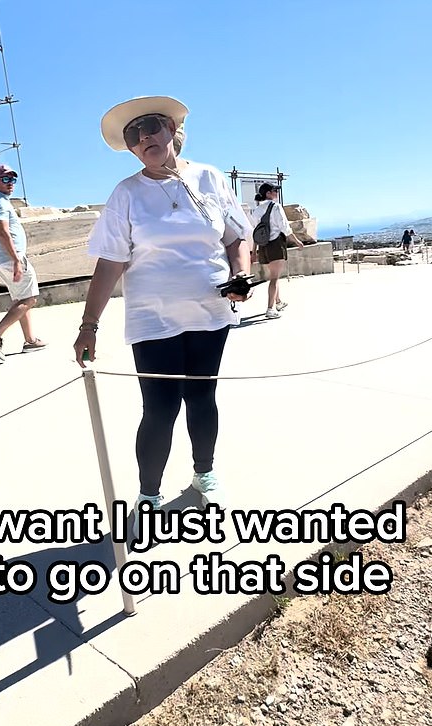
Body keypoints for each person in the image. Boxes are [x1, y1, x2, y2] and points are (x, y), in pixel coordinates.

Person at [73, 96, 252, 512]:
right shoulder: (127, 194)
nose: (144, 138)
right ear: (131, 148)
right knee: (160, 408)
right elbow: (110, 261)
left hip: (210, 312)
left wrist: (239, 274)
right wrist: (88, 324)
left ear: (171, 129)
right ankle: (149, 496)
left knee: (203, 399)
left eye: (151, 126)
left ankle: (203, 474)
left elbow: (234, 236)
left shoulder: (210, 178)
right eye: (133, 135)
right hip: (153, 320)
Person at [0, 164, 46, 361]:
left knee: (21, 298)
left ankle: (30, 340)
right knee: (30, 299)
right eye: (6, 179)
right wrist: (17, 260)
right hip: (11, 258)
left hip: (6, 258)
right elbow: (2, 231)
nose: (11, 184)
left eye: (13, 180)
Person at [251, 183, 304, 319]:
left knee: (274, 275)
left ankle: (278, 302)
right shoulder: (275, 207)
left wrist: (254, 251)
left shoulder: (256, 211)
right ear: (268, 193)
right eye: (274, 190)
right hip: (275, 244)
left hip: (264, 246)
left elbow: (255, 232)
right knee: (274, 278)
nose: (276, 193)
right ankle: (270, 309)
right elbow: (285, 228)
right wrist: (297, 241)